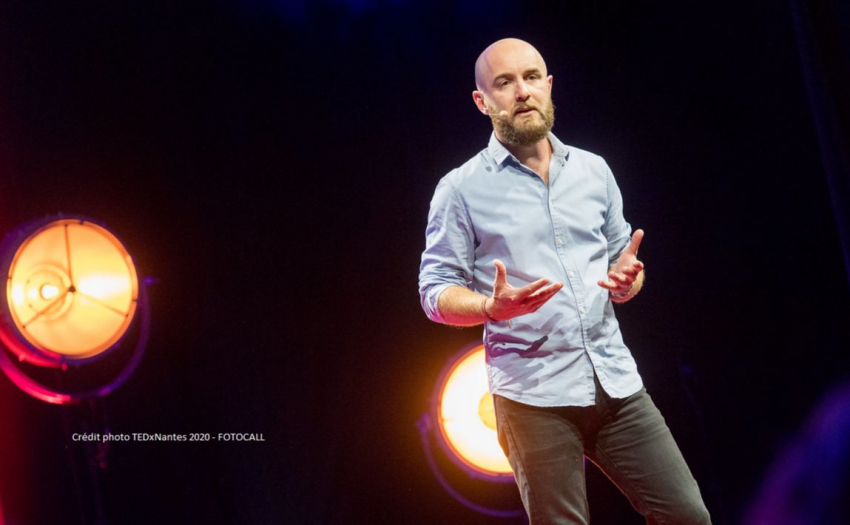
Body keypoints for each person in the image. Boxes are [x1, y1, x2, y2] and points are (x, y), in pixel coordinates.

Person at [418, 38, 711, 524]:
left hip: (614, 383)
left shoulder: (594, 170)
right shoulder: (460, 190)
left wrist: (627, 283)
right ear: (482, 101)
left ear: (549, 85)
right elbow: (434, 293)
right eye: (504, 83)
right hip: (534, 399)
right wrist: (491, 308)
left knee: (688, 516)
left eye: (532, 77)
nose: (522, 92)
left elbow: (623, 262)